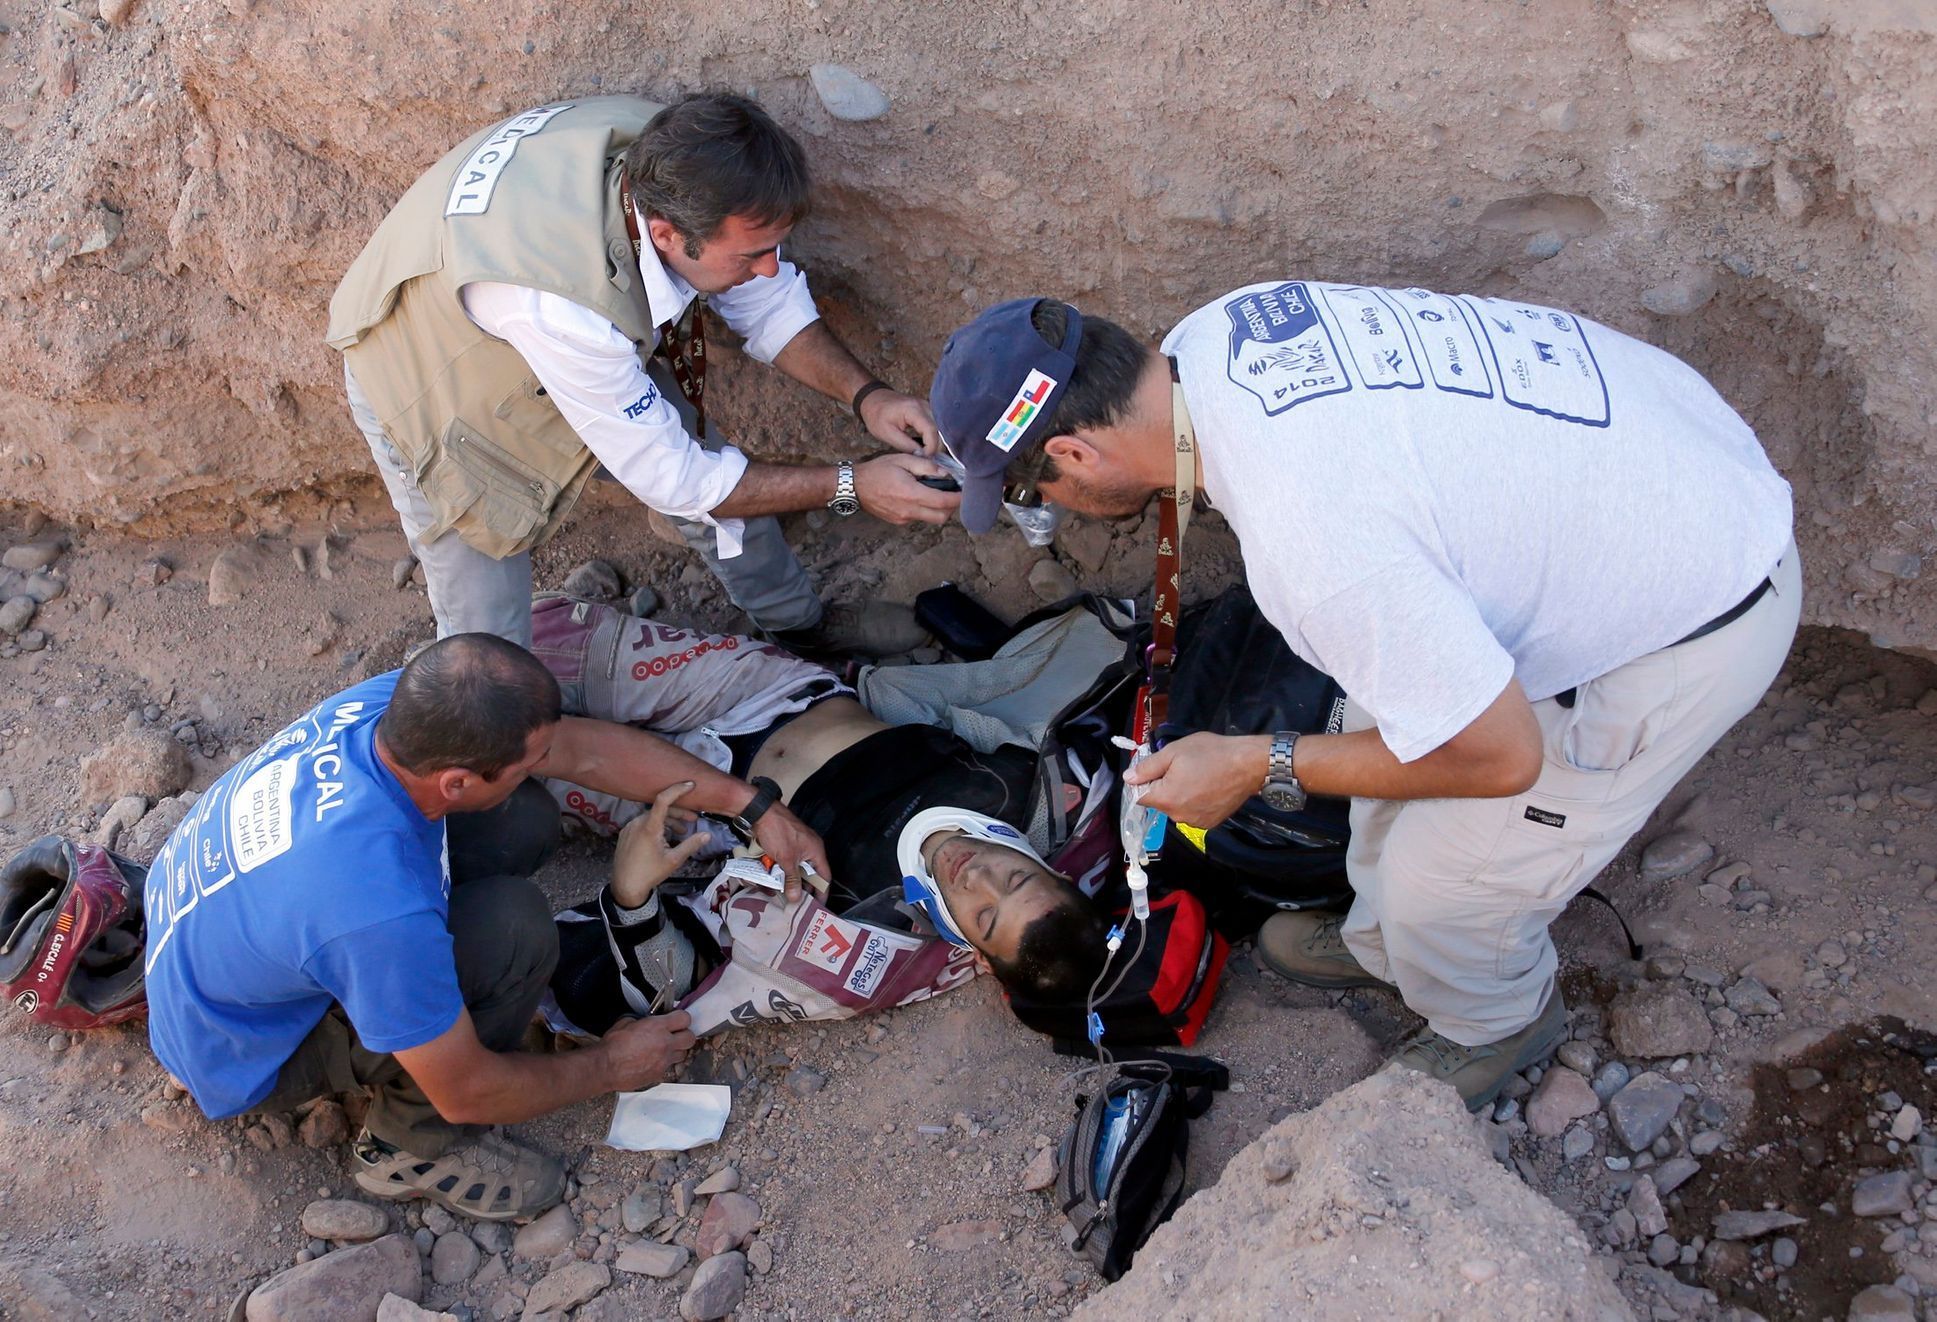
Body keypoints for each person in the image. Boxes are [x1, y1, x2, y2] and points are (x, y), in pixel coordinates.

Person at [927, 286, 1799, 1110]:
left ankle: (1495, 1022)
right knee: (1380, 737)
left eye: (1031, 490)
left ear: (1074, 453)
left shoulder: (1313, 539)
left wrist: (1251, 764)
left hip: (1686, 615)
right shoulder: (1213, 334)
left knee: (1443, 882)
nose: (1048, 505)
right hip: (1657, 458)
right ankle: (1387, 945)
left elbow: (1500, 757)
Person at [142, 633, 830, 1222]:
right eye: (526, 759)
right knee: (512, 931)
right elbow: (467, 1088)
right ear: (455, 783)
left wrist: (751, 803)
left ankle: (402, 1005)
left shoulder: (396, 710)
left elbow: (581, 752)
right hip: (245, 1051)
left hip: (223, 951)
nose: (548, 763)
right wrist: (610, 1067)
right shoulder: (370, 910)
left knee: (521, 814)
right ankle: (404, 1148)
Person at [325, 92, 959, 655]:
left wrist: (868, 398)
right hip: (429, 373)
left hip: (534, 302)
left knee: (720, 467)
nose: (770, 267)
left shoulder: (672, 157)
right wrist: (851, 485)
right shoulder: (571, 310)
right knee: (485, 622)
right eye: (751, 254)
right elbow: (678, 482)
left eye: (775, 246)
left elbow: (766, 302)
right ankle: (486, 754)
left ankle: (798, 631)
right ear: (665, 236)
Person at [525, 594, 1109, 1024]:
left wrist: (631, 895)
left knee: (503, 765)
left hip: (686, 807)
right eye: (1016, 876)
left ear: (978, 958)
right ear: (1054, 868)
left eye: (984, 915)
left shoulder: (876, 924)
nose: (977, 875)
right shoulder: (1027, 791)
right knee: (524, 650)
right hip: (762, 694)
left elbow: (688, 978)